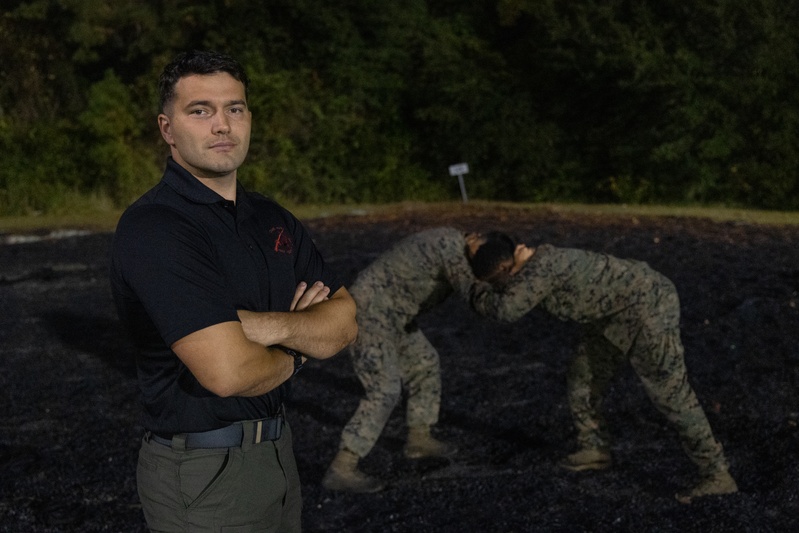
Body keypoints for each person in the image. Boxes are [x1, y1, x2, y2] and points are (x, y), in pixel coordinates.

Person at [110, 50, 357, 532]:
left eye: (235, 109)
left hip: (278, 455)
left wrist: (260, 326)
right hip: (203, 474)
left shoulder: (271, 217)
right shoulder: (155, 228)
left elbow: (345, 319)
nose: (222, 125)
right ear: (167, 129)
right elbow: (229, 372)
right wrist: (301, 345)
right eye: (200, 110)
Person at [468, 233, 738, 504]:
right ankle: (594, 448)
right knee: (583, 377)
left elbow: (506, 310)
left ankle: (717, 474)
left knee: (671, 394)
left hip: (648, 307)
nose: (523, 247)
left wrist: (472, 287)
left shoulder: (542, 267)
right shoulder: (531, 267)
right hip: (610, 316)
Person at [321, 227, 494, 493]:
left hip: (395, 316)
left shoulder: (458, 249)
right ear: (473, 237)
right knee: (384, 388)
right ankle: (342, 467)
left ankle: (419, 439)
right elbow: (471, 291)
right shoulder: (450, 246)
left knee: (425, 362)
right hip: (369, 312)